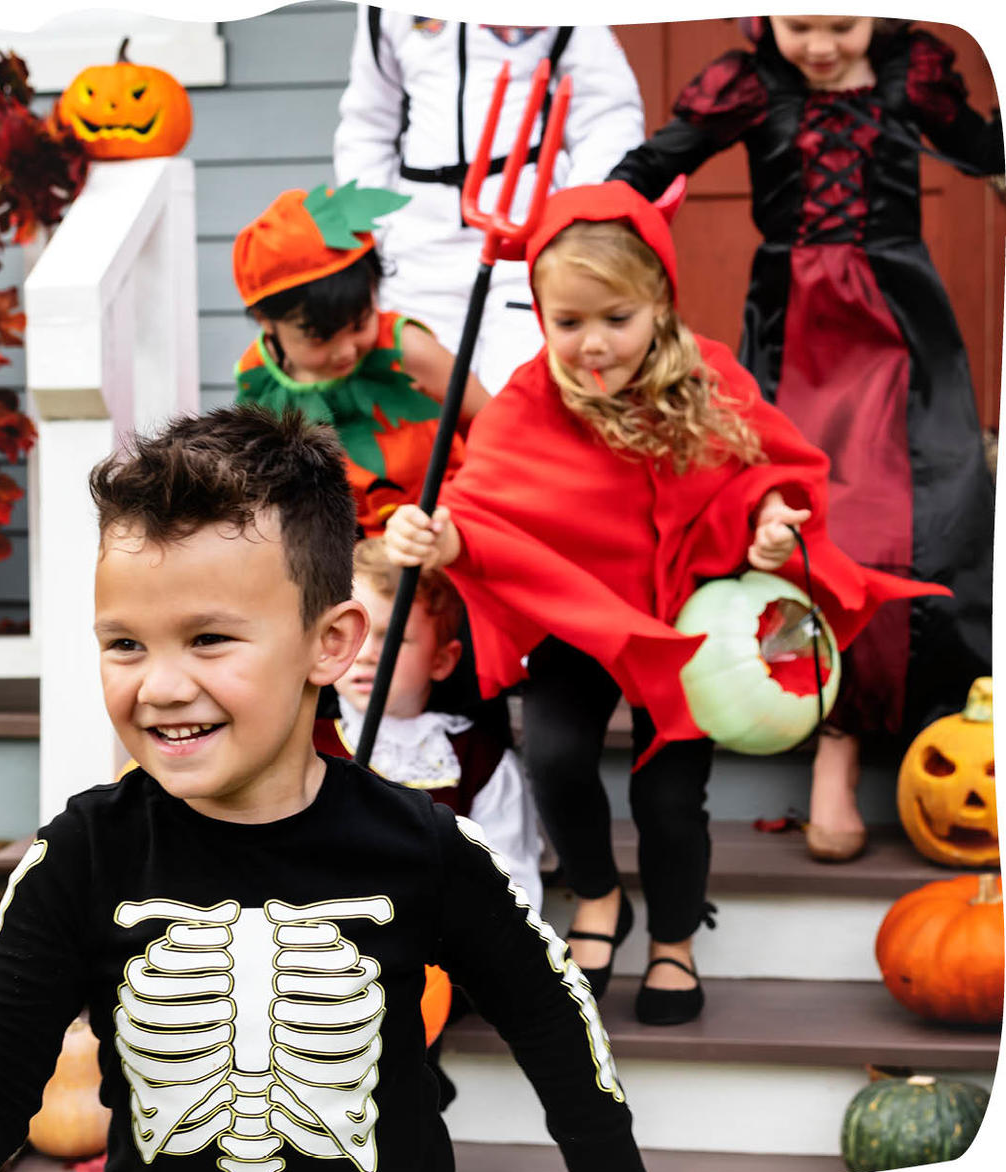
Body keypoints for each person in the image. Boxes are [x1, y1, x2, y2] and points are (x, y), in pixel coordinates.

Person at [0, 406, 645, 1172]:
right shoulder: (85, 854)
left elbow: (554, 1023)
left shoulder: (427, 847)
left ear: (329, 644)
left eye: (209, 639)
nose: (160, 687)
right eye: (124, 643)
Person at [384, 181, 943, 1025]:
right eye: (567, 323)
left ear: (660, 303)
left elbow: (766, 473)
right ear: (540, 314)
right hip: (583, 620)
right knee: (560, 758)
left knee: (671, 793)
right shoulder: (532, 400)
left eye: (616, 318)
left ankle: (676, 936)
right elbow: (483, 512)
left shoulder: (708, 379)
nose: (593, 345)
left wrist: (767, 522)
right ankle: (602, 897)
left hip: (691, 627)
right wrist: (437, 540)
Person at [607, 16, 1002, 862]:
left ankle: (927, 718)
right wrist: (597, 230)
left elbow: (981, 145)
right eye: (799, 24)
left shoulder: (913, 75)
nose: (820, 45)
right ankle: (835, 741)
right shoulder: (751, 85)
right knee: (818, 516)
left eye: (841, 24)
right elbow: (650, 169)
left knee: (935, 504)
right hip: (795, 324)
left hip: (901, 317)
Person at [334, 11, 645, 394]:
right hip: (418, 245)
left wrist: (572, 223)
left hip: (526, 238)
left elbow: (607, 113)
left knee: (519, 397)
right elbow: (367, 122)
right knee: (420, 411)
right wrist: (376, 231)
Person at [233, 181, 491, 537]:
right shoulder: (257, 377)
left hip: (435, 531)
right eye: (319, 336)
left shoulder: (407, 350)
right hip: (335, 550)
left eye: (359, 323)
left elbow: (493, 425)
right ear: (265, 319)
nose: (346, 350)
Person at [317, 536, 543, 910]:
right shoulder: (302, 746)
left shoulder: (479, 763)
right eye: (348, 633)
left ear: (441, 660)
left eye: (393, 639)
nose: (367, 655)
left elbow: (512, 889)